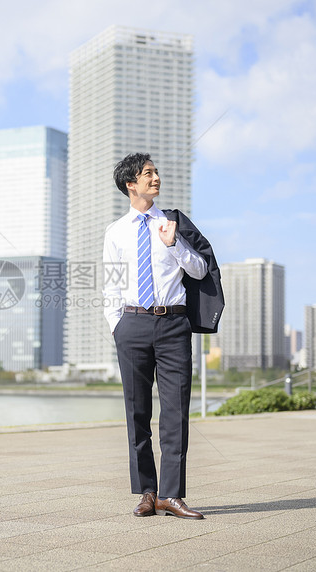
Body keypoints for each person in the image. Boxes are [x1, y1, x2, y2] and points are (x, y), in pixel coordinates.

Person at [102, 152, 212, 519]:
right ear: (130, 184)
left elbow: (199, 271)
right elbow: (112, 285)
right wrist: (117, 325)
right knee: (137, 411)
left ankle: (172, 494)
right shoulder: (116, 232)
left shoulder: (173, 223)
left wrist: (174, 244)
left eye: (156, 172)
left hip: (173, 326)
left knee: (176, 411)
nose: (156, 177)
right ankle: (147, 492)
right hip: (132, 324)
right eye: (148, 173)